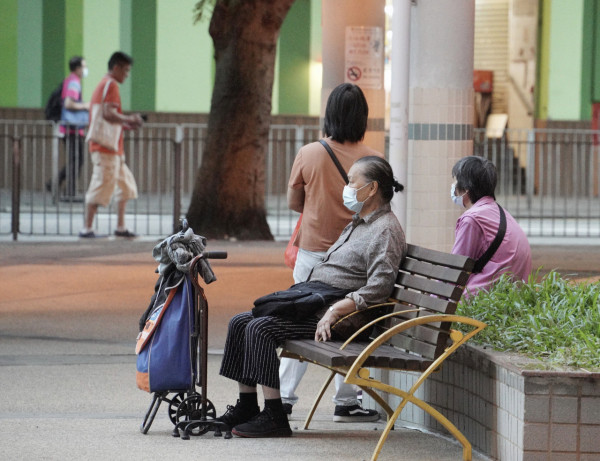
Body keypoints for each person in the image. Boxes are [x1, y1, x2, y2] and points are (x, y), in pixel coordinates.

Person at [218, 156, 407, 438]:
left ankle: (274, 416)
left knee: (260, 327)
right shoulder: (361, 222)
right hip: (318, 303)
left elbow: (380, 286)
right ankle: (247, 406)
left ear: (371, 189)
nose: (346, 187)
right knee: (240, 321)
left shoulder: (386, 230)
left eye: (352, 181)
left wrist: (335, 311)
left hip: (344, 317)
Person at [280, 83, 385, 422]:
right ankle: (345, 400)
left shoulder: (309, 153)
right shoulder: (373, 161)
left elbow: (293, 202)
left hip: (312, 256)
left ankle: (282, 397)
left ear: (329, 115)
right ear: (362, 118)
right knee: (348, 326)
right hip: (354, 261)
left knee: (298, 323)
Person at [79, 51, 144, 239]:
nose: (127, 74)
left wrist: (125, 124)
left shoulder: (103, 85)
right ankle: (87, 228)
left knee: (125, 186)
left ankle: (120, 227)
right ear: (116, 68)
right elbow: (108, 113)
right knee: (101, 185)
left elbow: (107, 116)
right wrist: (129, 118)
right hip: (106, 148)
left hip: (113, 149)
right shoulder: (111, 85)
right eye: (125, 70)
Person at [450, 155, 532, 295]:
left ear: (466, 189)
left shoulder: (472, 219)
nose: (453, 187)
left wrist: (428, 303)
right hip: (508, 300)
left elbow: (455, 271)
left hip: (479, 302)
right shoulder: (499, 213)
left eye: (455, 181)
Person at [46, 56, 90, 199]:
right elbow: (68, 104)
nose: (85, 70)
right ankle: (68, 191)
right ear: (77, 69)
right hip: (72, 128)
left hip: (70, 128)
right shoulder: (74, 83)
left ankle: (58, 185)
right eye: (84, 66)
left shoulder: (70, 80)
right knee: (77, 160)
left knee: (75, 160)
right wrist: (86, 105)